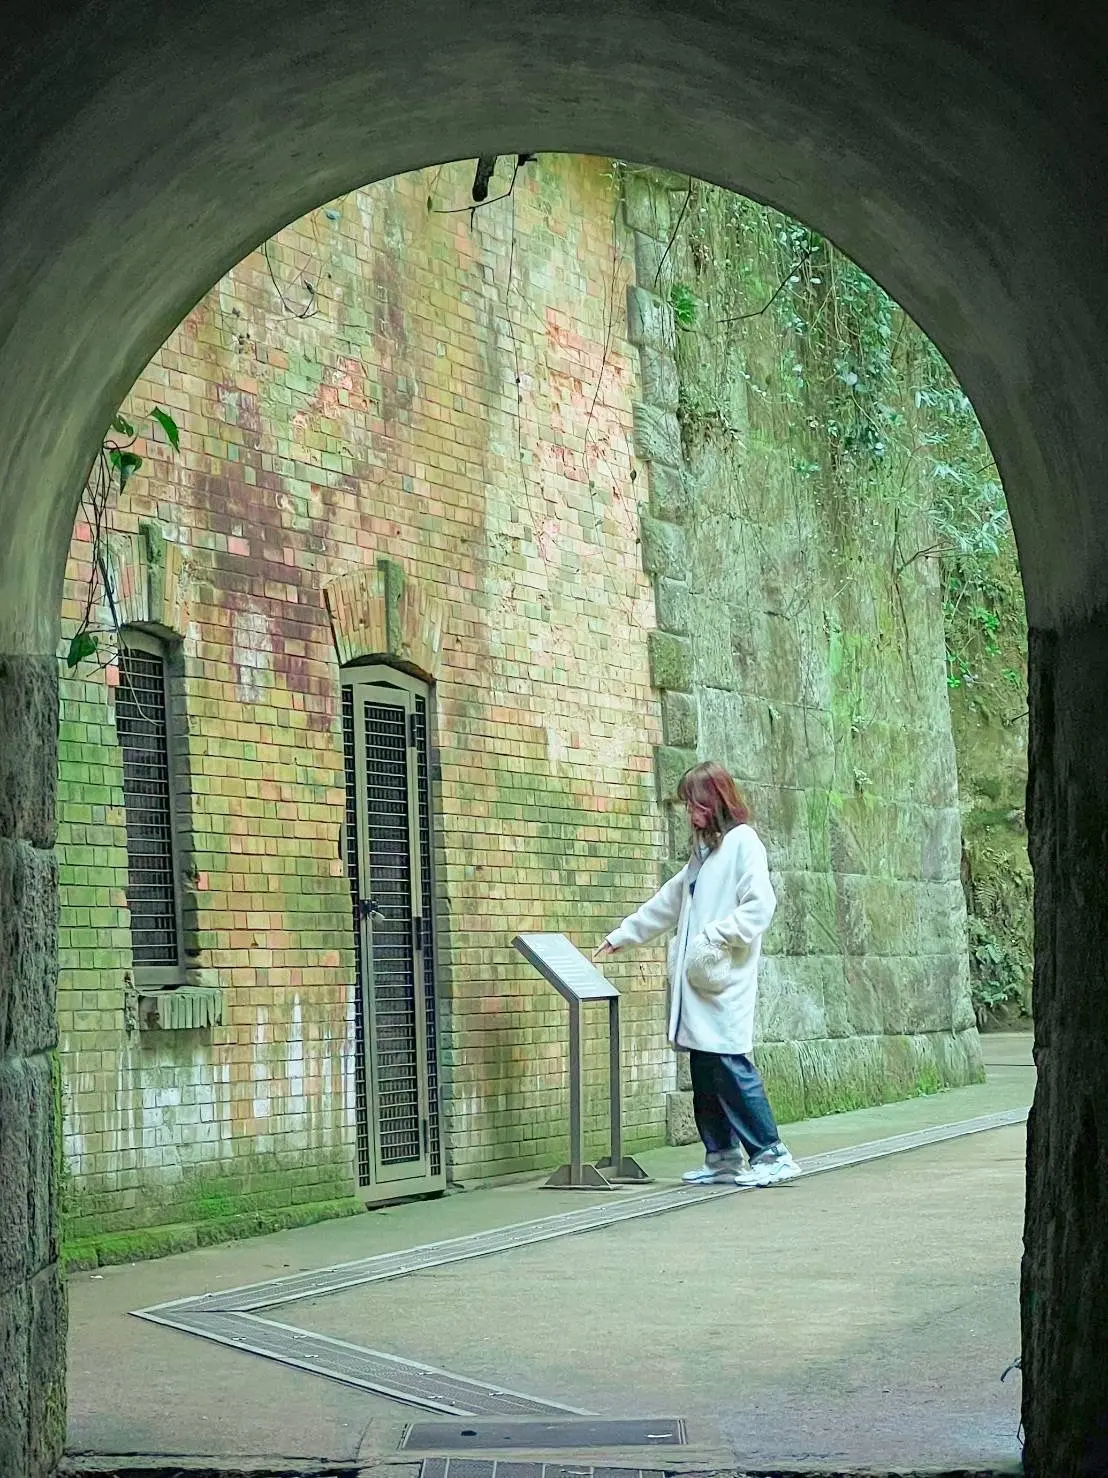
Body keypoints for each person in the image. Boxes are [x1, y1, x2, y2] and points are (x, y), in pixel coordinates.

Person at [595, 760, 800, 1187]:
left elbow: (760, 906)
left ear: (716, 801)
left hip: (723, 979)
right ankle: (722, 1156)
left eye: (697, 804)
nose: (691, 813)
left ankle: (771, 1153)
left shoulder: (744, 843)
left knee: (729, 1062)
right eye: (689, 805)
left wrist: (715, 935)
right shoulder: (702, 855)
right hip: (701, 983)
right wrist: (623, 935)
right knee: (705, 1070)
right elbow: (668, 902)